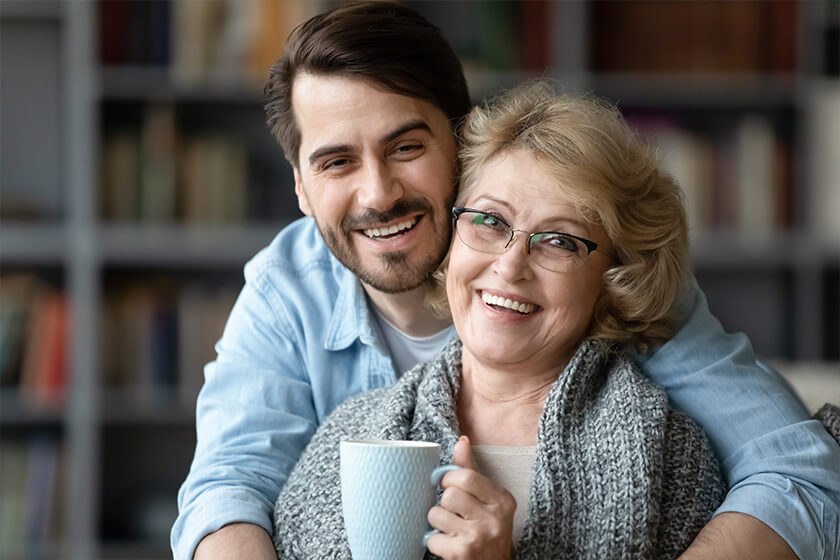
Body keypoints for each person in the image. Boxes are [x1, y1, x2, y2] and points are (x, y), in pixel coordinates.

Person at [172, 2, 840, 559]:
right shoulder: (287, 291)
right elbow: (227, 491)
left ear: (461, 144)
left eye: (406, 147)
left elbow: (796, 469)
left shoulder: (622, 288)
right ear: (300, 186)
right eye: (336, 162)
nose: (378, 194)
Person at [273, 82, 729, 559]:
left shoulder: (673, 456)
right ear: (451, 238)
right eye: (489, 221)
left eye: (560, 240)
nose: (510, 267)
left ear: (616, 278)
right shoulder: (346, 435)